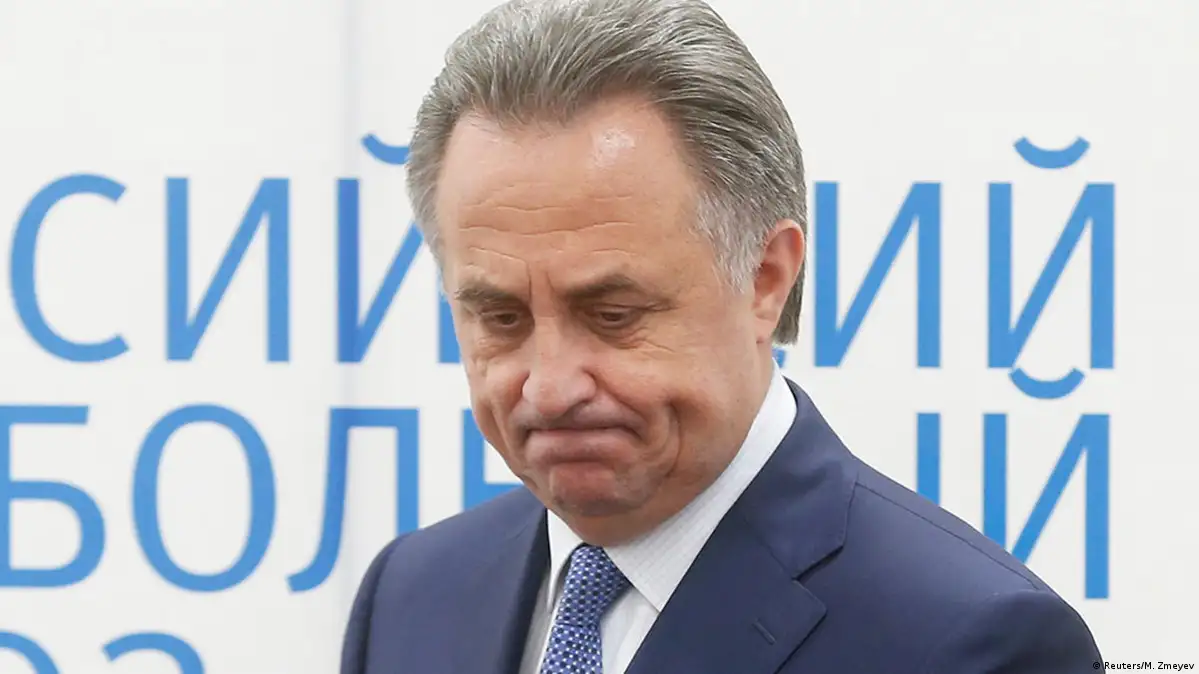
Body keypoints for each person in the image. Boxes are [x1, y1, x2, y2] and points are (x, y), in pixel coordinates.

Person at [340, 0, 1104, 671]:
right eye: (501, 318)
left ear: (765, 279)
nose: (550, 387)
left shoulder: (971, 643)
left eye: (614, 314)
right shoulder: (410, 595)